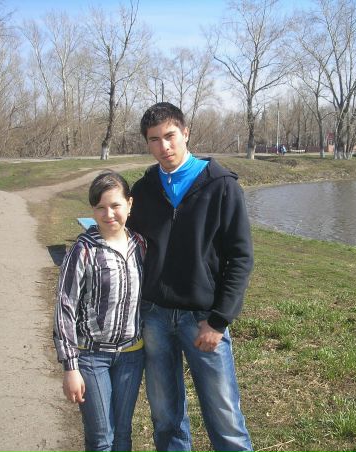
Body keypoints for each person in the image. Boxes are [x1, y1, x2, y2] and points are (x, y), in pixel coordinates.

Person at [127, 102, 254, 452]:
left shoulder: (221, 186)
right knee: (165, 417)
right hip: (155, 317)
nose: (164, 146)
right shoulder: (144, 189)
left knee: (225, 418)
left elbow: (240, 257)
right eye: (154, 140)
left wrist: (219, 320)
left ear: (185, 133)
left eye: (170, 136)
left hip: (202, 320)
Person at [53, 170, 147, 452]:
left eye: (115, 205)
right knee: (101, 437)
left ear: (129, 204)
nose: (109, 214)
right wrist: (70, 367)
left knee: (123, 435)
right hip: (92, 357)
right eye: (100, 207)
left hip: (132, 356)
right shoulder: (83, 250)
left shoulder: (140, 245)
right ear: (93, 210)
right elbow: (65, 307)